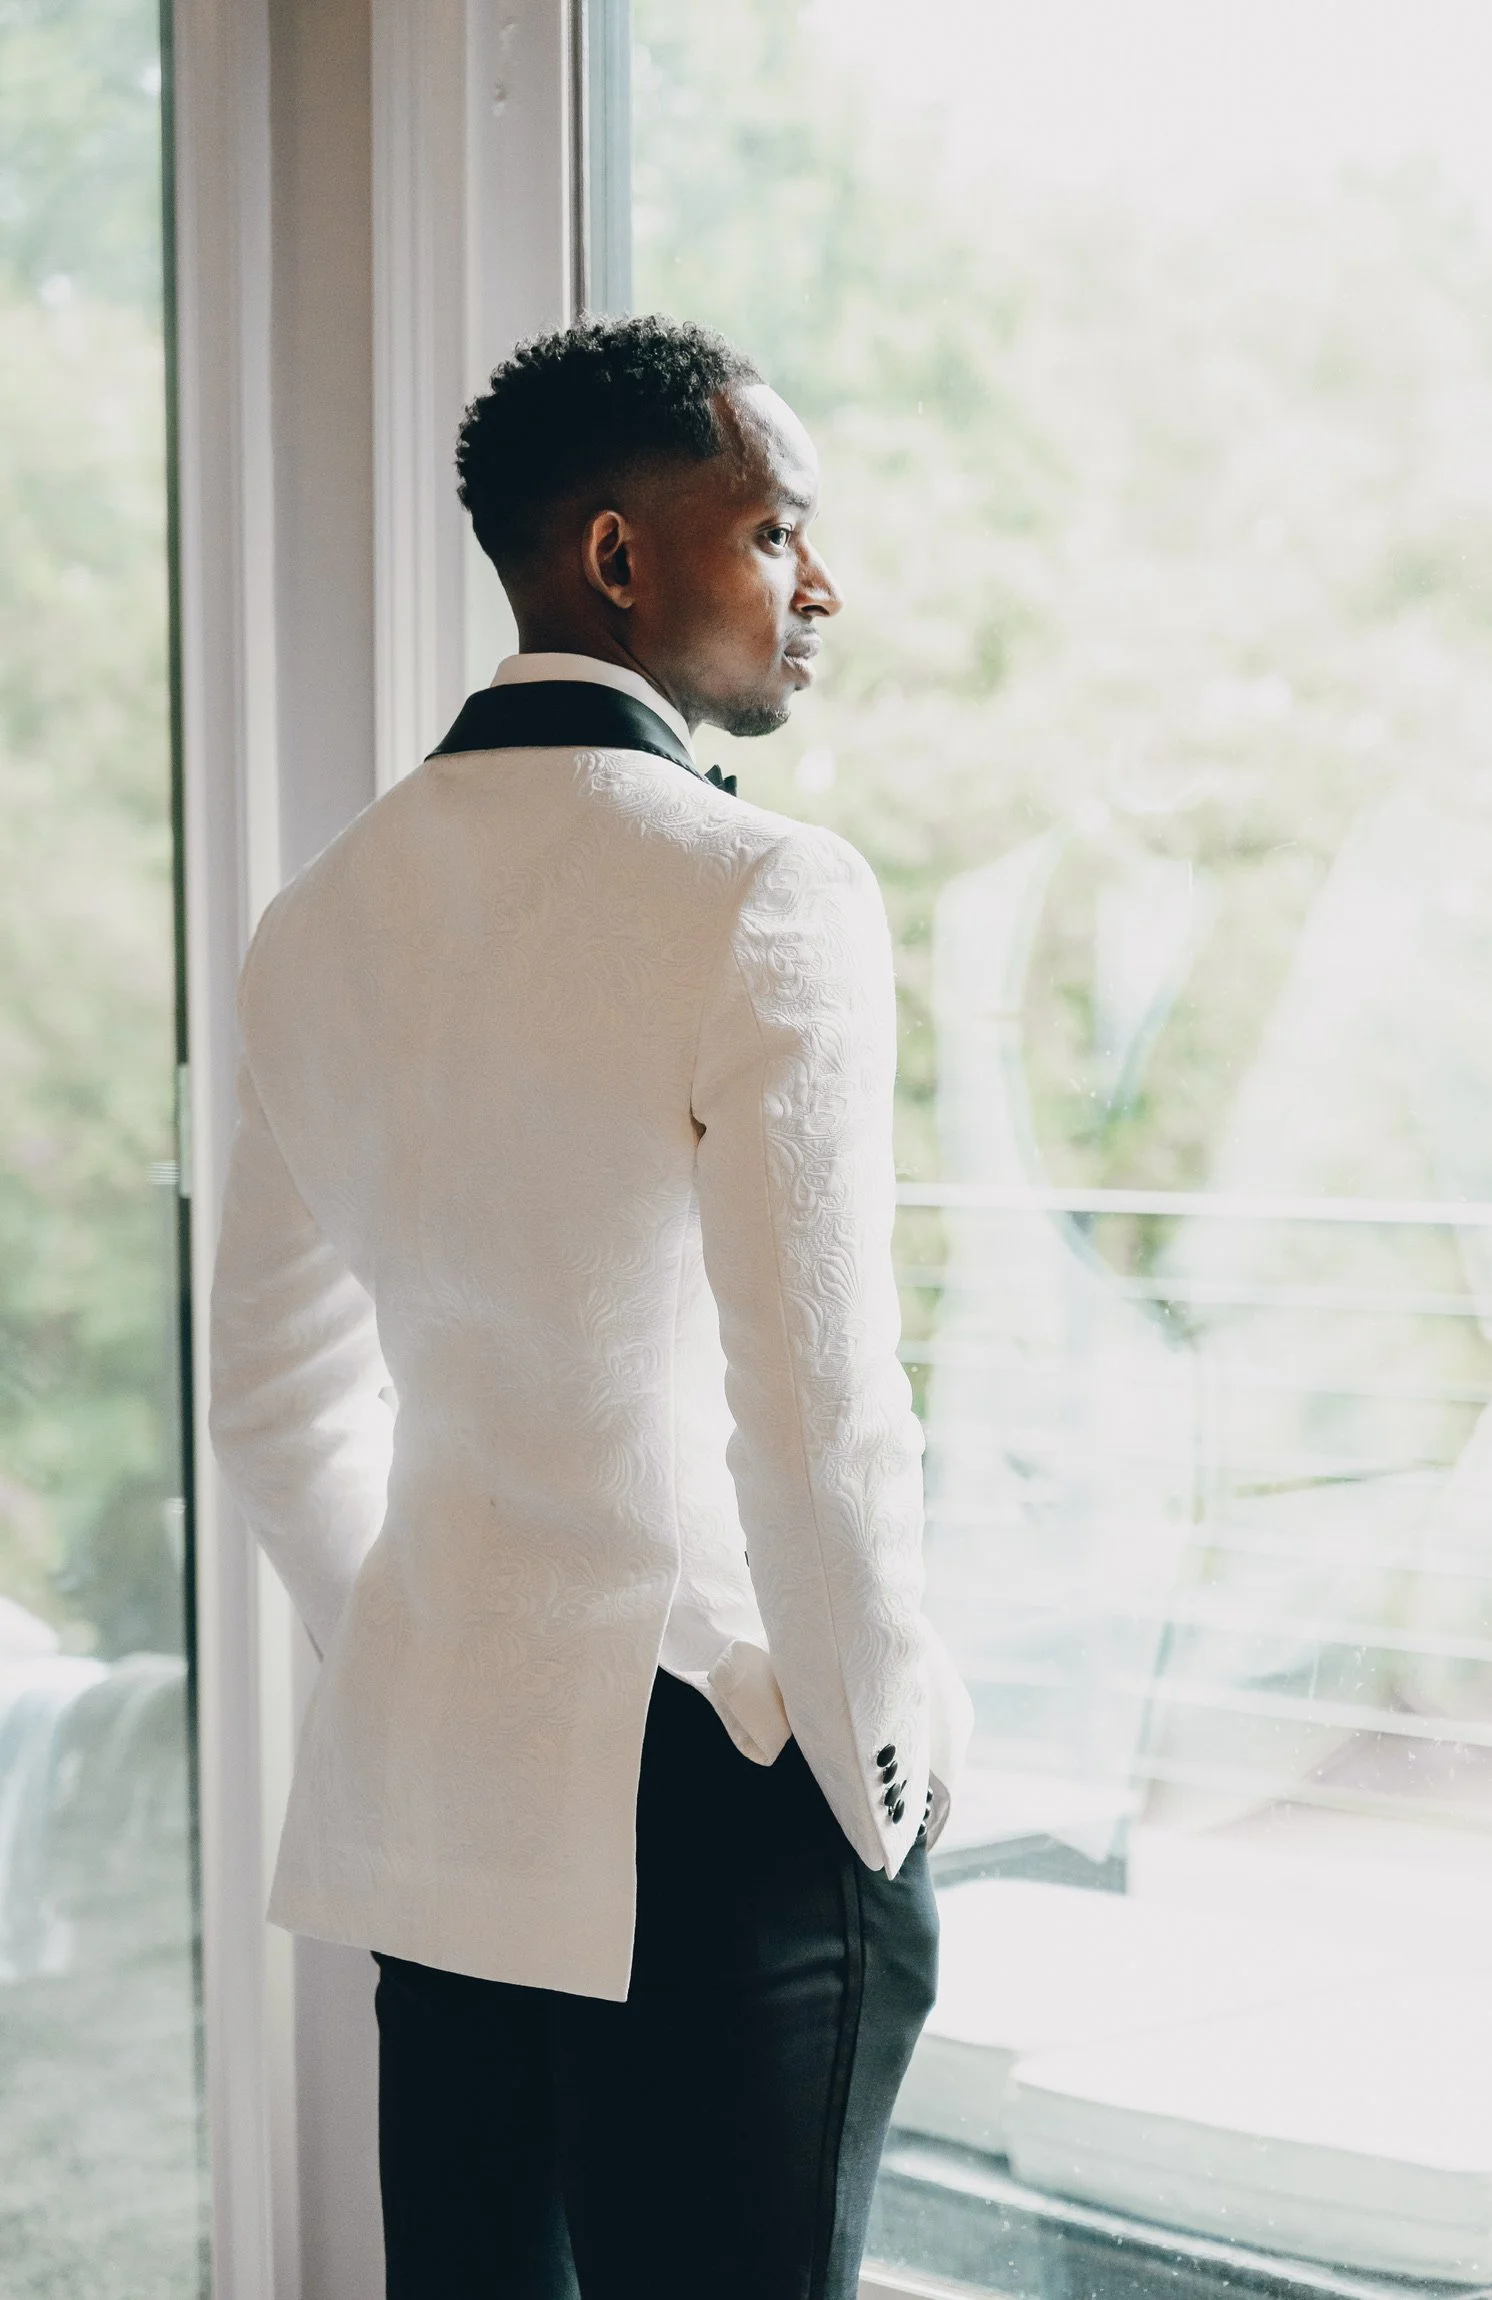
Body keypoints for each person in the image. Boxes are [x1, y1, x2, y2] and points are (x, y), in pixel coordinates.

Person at [209, 315, 972, 2299]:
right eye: (775, 529)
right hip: (723, 1809)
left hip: (439, 1791)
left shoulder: (314, 918)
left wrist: (435, 1649)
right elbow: (814, 1417)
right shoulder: (758, 887)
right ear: (620, 559)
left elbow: (274, 1406)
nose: (821, 583)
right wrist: (883, 1783)